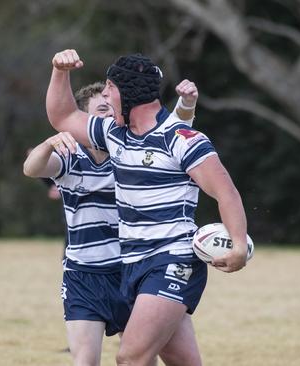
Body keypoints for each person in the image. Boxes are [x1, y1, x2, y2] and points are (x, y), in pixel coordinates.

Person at [46, 49, 248, 366]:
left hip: (172, 260)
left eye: (110, 90)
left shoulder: (181, 138)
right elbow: (62, 117)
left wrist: (237, 245)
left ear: (127, 94)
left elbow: (227, 193)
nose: (105, 98)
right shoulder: (114, 134)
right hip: (134, 265)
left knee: (130, 358)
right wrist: (60, 71)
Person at [24, 79, 199, 366]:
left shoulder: (128, 150)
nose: (109, 113)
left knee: (142, 358)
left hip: (132, 271)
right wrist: (47, 144)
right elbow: (32, 169)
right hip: (84, 274)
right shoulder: (71, 157)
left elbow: (171, 136)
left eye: (111, 107)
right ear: (83, 120)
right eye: (101, 109)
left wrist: (186, 105)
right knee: (86, 361)